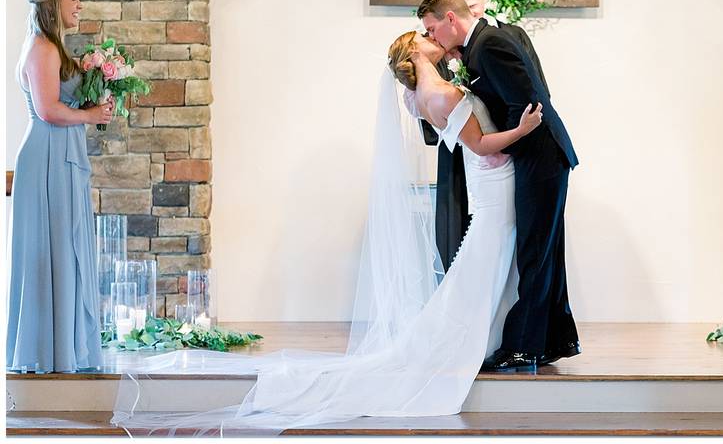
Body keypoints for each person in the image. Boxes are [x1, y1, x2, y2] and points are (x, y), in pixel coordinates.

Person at [111, 31, 543, 434]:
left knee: (485, 262)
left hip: (491, 185)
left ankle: (486, 337)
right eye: (426, 38)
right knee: (482, 262)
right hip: (493, 182)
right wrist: (522, 130)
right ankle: (467, 341)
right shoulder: (441, 94)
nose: (435, 39)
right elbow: (481, 144)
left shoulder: (423, 96)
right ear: (415, 53)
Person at [419, 0, 579, 372]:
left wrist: (499, 145)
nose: (431, 37)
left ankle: (524, 347)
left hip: (540, 155)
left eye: (432, 28)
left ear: (450, 19)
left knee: (534, 252)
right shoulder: (479, 47)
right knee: (542, 251)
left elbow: (527, 104)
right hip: (538, 156)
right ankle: (553, 340)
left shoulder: (488, 45)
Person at [8, 0, 113, 373]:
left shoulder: (53, 47)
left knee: (63, 251)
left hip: (61, 154)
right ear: (53, 4)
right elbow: (49, 109)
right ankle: (49, 354)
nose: (79, 5)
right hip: (47, 157)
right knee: (49, 250)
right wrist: (89, 114)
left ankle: (62, 350)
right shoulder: (41, 49)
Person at [429, 0, 551, 271]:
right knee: (461, 233)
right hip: (462, 151)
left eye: (474, 4)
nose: (470, 12)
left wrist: (506, 143)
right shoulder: (444, 46)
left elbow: (537, 94)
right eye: (462, 6)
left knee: (512, 228)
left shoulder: (512, 36)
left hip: (509, 150)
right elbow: (435, 102)